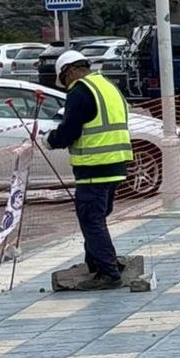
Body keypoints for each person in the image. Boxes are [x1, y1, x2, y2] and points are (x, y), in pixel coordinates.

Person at [46, 50, 132, 290]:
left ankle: (108, 272)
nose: (65, 86)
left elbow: (69, 131)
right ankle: (97, 263)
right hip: (116, 164)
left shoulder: (80, 90)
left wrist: (50, 140)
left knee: (91, 219)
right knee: (96, 217)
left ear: (69, 71)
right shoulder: (107, 86)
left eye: (64, 80)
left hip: (94, 166)